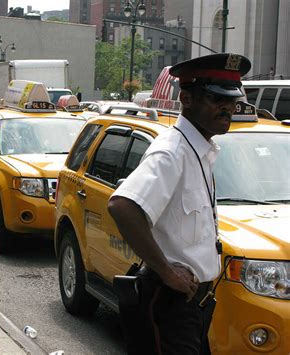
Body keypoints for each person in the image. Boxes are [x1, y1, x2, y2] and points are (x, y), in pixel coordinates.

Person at [108, 53, 251, 354]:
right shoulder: (172, 152)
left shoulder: (200, 151)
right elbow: (122, 206)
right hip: (169, 303)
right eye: (216, 98)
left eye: (232, 101)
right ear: (186, 98)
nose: (228, 108)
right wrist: (166, 271)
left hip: (191, 305)